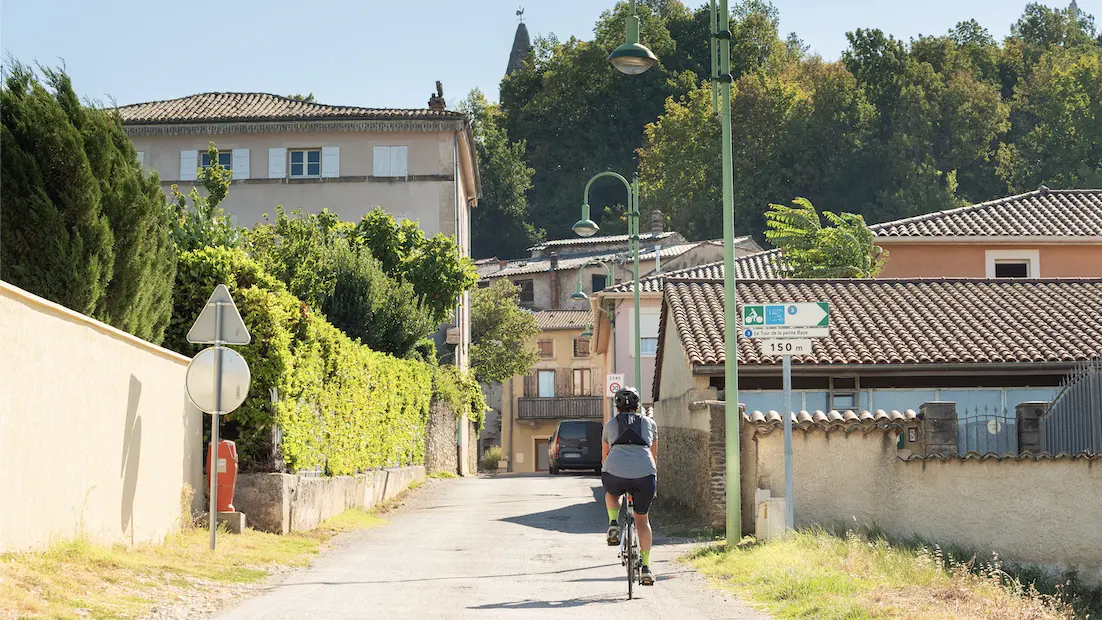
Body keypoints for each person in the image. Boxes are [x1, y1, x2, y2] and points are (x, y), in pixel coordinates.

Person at [602, 387, 658, 586]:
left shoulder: (610, 425)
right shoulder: (649, 423)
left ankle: (614, 523)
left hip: (615, 472)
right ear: (638, 406)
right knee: (642, 521)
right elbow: (654, 455)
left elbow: (604, 457)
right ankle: (646, 568)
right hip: (644, 474)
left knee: (611, 493)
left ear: (617, 408)